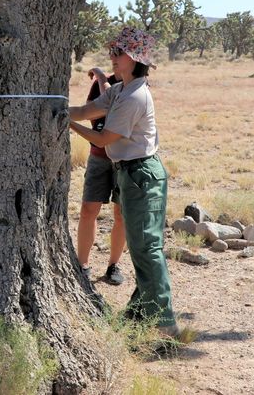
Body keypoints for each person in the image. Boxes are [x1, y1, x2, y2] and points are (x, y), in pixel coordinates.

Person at [68, 26, 179, 336]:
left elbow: (104, 137)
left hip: (141, 174)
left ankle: (166, 326)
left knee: (147, 249)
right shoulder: (120, 90)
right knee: (144, 247)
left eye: (118, 53)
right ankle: (138, 316)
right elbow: (86, 110)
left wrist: (65, 122)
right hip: (131, 174)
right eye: (113, 52)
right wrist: (58, 109)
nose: (112, 57)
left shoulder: (134, 96)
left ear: (134, 58)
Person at [77, 68, 126, 285]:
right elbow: (91, 112)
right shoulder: (100, 82)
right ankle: (82, 264)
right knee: (88, 209)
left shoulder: (136, 83)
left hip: (125, 159)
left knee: (121, 214)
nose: (114, 59)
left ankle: (113, 265)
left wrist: (102, 79)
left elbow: (115, 108)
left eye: (118, 54)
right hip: (98, 155)